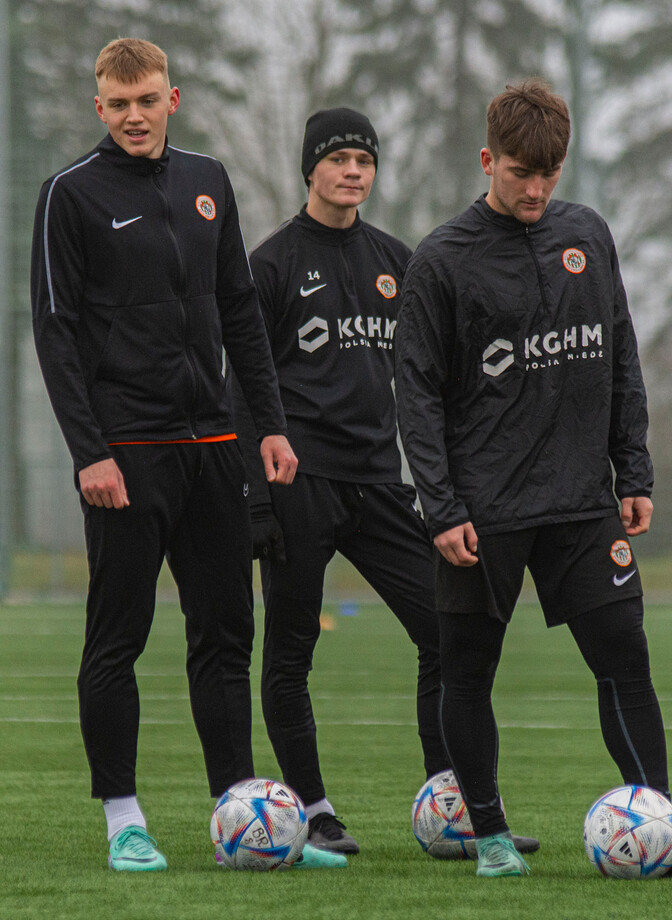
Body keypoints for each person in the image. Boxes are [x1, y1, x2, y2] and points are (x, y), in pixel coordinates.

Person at [394, 79, 672, 879]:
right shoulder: (443, 260)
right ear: (488, 161)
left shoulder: (588, 234)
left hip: (584, 503)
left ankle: (661, 826)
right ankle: (487, 836)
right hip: (484, 512)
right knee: (468, 670)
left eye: (550, 173)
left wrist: (635, 467)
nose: (537, 189)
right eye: (521, 172)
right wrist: (441, 507)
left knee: (627, 661)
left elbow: (620, 353)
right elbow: (416, 395)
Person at [30, 38, 344, 873]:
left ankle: (242, 813)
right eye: (119, 103)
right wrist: (88, 452)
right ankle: (123, 818)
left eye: (149, 100)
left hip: (215, 446)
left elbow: (240, 309)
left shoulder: (209, 181)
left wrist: (269, 426)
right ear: (100, 108)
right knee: (118, 638)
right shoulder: (69, 194)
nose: (135, 116)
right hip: (126, 455)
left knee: (224, 637)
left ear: (175, 100)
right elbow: (56, 337)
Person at [231, 106, 541, 856]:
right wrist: (255, 498)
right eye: (337, 159)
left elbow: (438, 375)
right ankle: (314, 811)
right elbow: (243, 385)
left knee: (445, 635)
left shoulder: (399, 260)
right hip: (301, 482)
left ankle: (451, 800)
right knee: (291, 651)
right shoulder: (271, 265)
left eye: (363, 161)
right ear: (311, 168)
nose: (351, 171)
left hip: (380, 482)